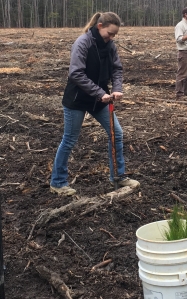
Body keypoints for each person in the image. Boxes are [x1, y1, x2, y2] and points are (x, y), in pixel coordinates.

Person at [50, 12, 140, 195]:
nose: (112, 37)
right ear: (100, 26)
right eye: (110, 33)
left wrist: (116, 88)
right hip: (77, 99)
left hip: (100, 100)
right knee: (69, 140)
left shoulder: (110, 45)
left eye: (115, 35)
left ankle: (118, 176)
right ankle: (58, 182)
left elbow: (117, 69)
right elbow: (75, 74)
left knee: (117, 134)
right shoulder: (83, 43)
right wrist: (100, 93)